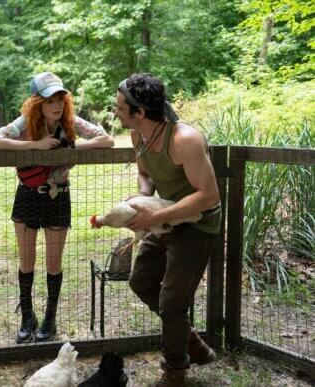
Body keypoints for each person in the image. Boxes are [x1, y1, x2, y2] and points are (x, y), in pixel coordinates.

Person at [114, 73, 221, 387]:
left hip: (198, 225)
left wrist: (152, 218)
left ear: (140, 113)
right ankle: (189, 339)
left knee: (172, 303)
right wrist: (143, 199)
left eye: (120, 108)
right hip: (163, 220)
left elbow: (209, 195)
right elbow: (145, 174)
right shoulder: (139, 136)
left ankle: (175, 370)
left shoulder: (184, 139)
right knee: (141, 281)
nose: (116, 112)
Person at [0, 72, 114, 343]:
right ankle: (27, 316)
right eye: (50, 101)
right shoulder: (25, 123)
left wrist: (71, 150)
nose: (56, 106)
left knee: (54, 263)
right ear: (38, 102)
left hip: (59, 197)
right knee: (26, 261)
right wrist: (35, 146)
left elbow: (107, 139)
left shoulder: (70, 122)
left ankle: (50, 318)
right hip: (27, 196)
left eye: (60, 99)